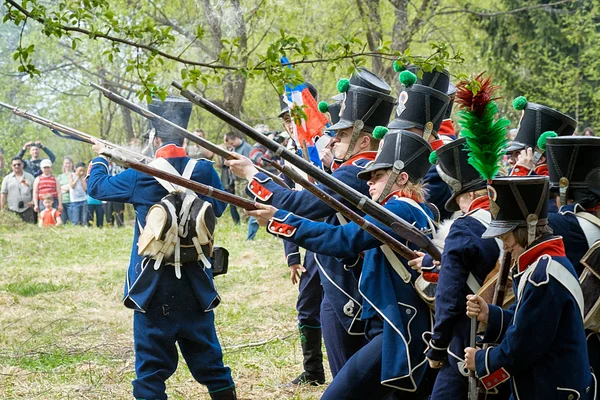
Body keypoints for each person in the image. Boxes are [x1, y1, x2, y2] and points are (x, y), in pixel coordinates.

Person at [228, 68, 396, 379]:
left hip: (351, 282)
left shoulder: (356, 170)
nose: (334, 138)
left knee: (350, 377)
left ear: (362, 140)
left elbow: (301, 205)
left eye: (342, 135)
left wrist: (253, 174)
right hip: (343, 277)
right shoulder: (359, 166)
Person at [247, 129, 435, 399]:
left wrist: (281, 220)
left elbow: (342, 239)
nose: (369, 184)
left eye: (378, 177)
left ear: (401, 178)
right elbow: (359, 253)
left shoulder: (400, 210)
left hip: (397, 328)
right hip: (397, 324)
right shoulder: (421, 209)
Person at [87, 96, 236, 400]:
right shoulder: (204, 171)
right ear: (184, 136)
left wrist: (102, 156)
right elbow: (218, 208)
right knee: (212, 366)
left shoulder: (141, 174)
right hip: (196, 285)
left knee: (150, 371)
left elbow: (96, 188)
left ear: (154, 137)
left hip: (151, 287)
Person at [464, 176, 594, 399]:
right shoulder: (542, 265)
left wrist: (482, 360)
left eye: (507, 237)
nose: (505, 245)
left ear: (529, 229)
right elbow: (526, 320)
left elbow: (523, 346)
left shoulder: (543, 276)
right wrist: (491, 314)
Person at [415, 138, 502, 399]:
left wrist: (437, 347)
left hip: (469, 338)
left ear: (471, 195)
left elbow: (449, 298)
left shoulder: (464, 227)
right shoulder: (512, 217)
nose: (459, 208)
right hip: (509, 330)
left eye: (460, 199)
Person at [387, 67, 452, 221]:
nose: (401, 134)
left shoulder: (439, 169)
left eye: (408, 129)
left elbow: (408, 209)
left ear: (428, 129)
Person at [0, 156, 35, 223]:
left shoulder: (30, 177)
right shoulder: (7, 179)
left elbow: (35, 192)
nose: (16, 166)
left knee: (28, 231)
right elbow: (3, 194)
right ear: (11, 166)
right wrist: (2, 208)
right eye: (14, 165)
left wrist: (32, 202)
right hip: (12, 209)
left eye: (18, 164)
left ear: (22, 165)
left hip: (27, 209)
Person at [57, 157, 74, 224]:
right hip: (62, 201)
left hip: (72, 201)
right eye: (66, 163)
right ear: (63, 165)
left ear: (72, 164)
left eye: (69, 163)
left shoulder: (75, 174)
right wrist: (68, 187)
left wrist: (63, 188)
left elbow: (73, 186)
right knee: (63, 222)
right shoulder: (60, 176)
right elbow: (57, 189)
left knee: (73, 222)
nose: (68, 165)